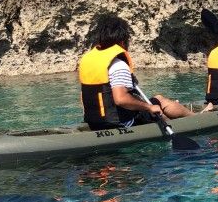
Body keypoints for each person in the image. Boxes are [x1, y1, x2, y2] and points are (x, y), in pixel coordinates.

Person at [79, 13, 210, 131]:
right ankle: (197, 119)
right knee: (159, 101)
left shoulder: (89, 61)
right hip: (122, 123)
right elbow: (120, 99)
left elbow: (83, 97)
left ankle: (177, 121)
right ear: (123, 41)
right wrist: (148, 107)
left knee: (155, 109)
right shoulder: (118, 65)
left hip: (95, 122)